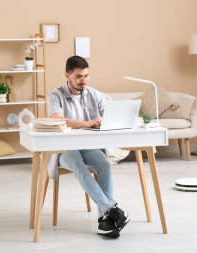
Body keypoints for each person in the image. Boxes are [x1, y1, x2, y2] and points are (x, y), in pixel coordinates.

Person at [48, 55, 130, 238]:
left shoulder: (93, 93)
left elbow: (108, 115)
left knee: (105, 165)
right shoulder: (56, 95)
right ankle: (111, 208)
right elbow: (57, 119)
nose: (83, 80)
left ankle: (105, 221)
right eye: (78, 76)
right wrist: (87, 123)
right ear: (67, 75)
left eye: (86, 76)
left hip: (88, 145)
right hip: (64, 149)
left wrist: (106, 122)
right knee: (79, 166)